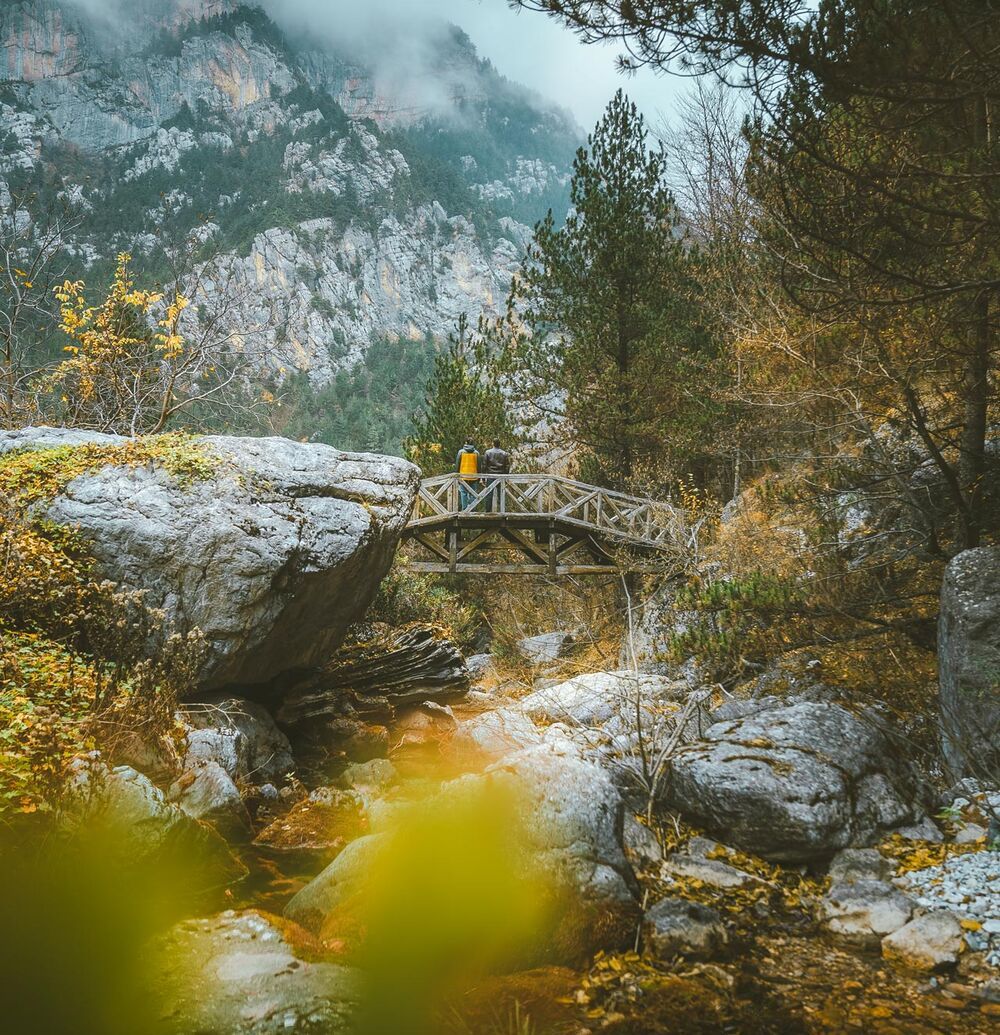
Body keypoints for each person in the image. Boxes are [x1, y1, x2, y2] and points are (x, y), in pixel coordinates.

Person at [481, 438, 511, 511]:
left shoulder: (488, 452)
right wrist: (505, 476)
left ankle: (488, 511)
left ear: (492, 443)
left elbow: (484, 465)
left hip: (490, 475)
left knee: (489, 495)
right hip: (501, 476)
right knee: (501, 494)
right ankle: (502, 510)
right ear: (499, 444)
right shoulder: (504, 453)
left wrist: (483, 478)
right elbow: (507, 466)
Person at [455, 438, 480, 510]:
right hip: (474, 476)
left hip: (463, 476)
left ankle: (465, 509)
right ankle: (473, 509)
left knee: (463, 493)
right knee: (473, 493)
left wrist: (457, 475)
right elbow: (479, 465)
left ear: (466, 443)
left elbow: (458, 464)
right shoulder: (476, 453)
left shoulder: (461, 452)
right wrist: (479, 477)